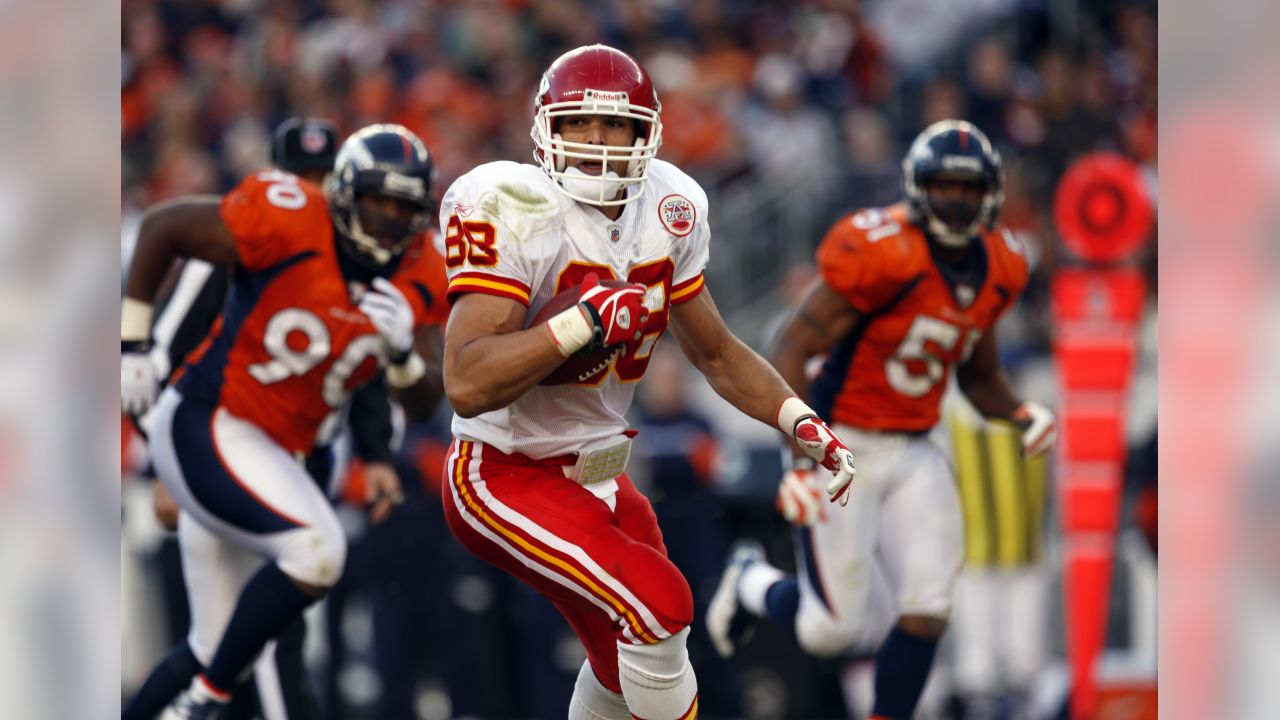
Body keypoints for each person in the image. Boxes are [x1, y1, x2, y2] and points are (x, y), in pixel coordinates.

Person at [436, 44, 857, 720]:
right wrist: (579, 326)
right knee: (662, 604)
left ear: (647, 133)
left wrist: (796, 418)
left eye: (614, 126)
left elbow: (716, 353)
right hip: (502, 470)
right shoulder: (508, 202)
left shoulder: (669, 205)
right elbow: (466, 380)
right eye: (579, 125)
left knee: (630, 657)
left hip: (598, 467)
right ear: (547, 129)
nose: (596, 143)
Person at [706, 120, 1058, 720]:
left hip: (916, 447)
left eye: (970, 189)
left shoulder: (1000, 263)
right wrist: (799, 459)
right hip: (841, 446)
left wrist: (1019, 413)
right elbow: (791, 348)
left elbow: (977, 376)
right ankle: (751, 582)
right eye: (945, 185)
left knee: (929, 605)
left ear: (992, 195)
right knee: (832, 633)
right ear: (918, 188)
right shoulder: (881, 250)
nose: (957, 199)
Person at [120, 123, 448, 719]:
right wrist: (133, 345)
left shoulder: (419, 273)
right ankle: (205, 701)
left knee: (215, 646)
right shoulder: (283, 221)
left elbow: (421, 398)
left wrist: (400, 356)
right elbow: (164, 228)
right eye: (375, 200)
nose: (386, 220)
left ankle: (196, 695)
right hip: (214, 427)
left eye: (403, 207)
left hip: (285, 456)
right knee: (311, 565)